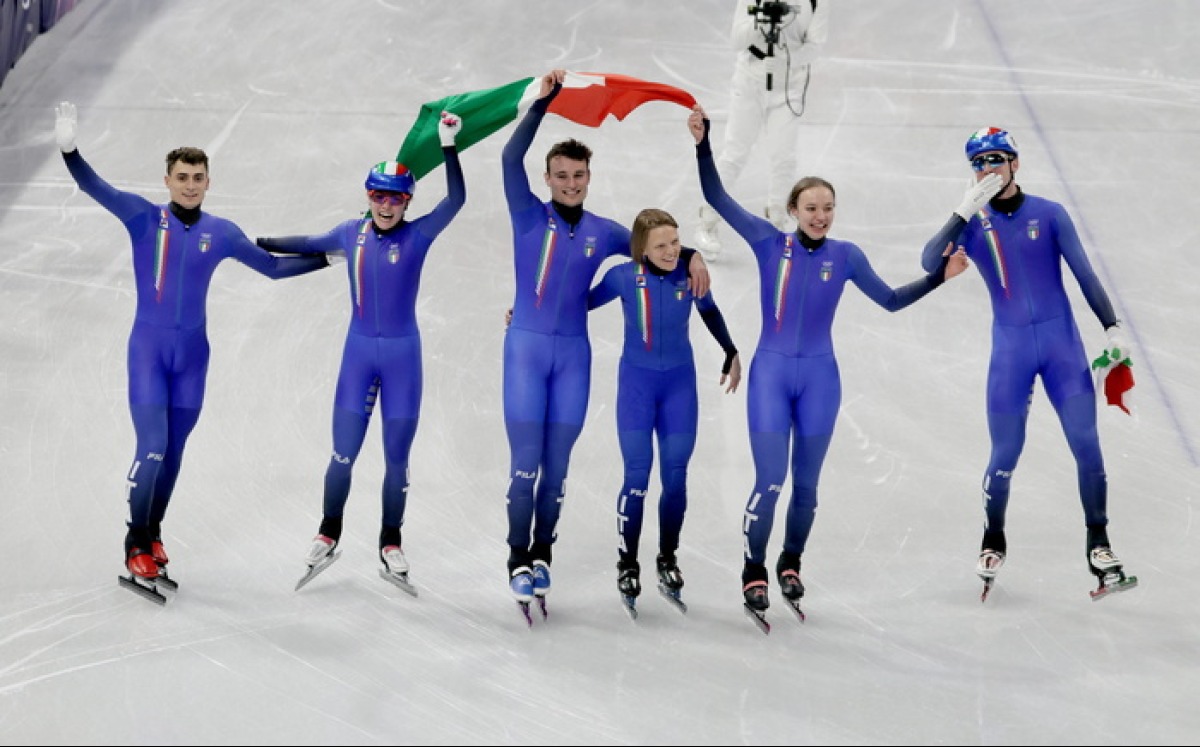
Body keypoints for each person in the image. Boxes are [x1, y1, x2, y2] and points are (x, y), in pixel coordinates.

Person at [688, 104, 983, 624]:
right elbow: (715, 196)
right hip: (772, 377)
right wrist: (703, 143)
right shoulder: (766, 241)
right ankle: (753, 569)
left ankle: (790, 562)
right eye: (811, 208)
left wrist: (941, 276)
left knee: (806, 487)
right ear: (793, 210)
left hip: (821, 379)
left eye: (828, 207)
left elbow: (890, 300)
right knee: (771, 480)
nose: (820, 216)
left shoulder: (845, 256)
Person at [53, 101, 330, 600]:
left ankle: (153, 533)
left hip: (193, 360)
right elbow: (93, 186)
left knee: (175, 453)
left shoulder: (219, 233)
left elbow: (270, 268)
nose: (190, 185)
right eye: (182, 176)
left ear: (208, 182)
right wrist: (69, 148)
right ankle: (134, 540)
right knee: (152, 445)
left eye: (198, 177)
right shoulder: (142, 217)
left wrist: (328, 258)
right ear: (167, 180)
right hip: (149, 355)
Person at [500, 69, 710, 614]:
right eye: (562, 175)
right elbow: (506, 160)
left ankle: (542, 550)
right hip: (525, 350)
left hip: (573, 357)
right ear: (547, 178)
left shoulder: (602, 232)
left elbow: (654, 245)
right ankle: (516, 557)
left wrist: (692, 256)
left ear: (589, 178)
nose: (571, 183)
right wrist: (541, 106)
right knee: (526, 461)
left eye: (579, 175)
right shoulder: (527, 216)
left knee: (558, 465)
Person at [255, 113, 466, 593]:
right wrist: (256, 243)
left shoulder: (418, 235)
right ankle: (328, 532)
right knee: (342, 453)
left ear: (408, 201)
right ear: (366, 196)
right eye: (377, 195)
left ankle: (391, 540)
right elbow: (304, 243)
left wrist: (449, 147)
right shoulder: (351, 233)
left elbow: (456, 200)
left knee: (396, 459)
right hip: (358, 356)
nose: (385, 205)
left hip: (402, 360)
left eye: (395, 198)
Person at [919, 127, 1135, 597]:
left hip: (1063, 348)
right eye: (978, 163)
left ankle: (1098, 541)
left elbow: (1084, 273)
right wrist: (962, 211)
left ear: (1015, 163)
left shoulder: (1050, 215)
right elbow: (927, 261)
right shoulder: (974, 226)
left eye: (996, 159)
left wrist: (1111, 326)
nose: (988, 169)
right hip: (1011, 354)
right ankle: (992, 536)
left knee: (1086, 444)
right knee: (1004, 453)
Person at [587, 208, 742, 610]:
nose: (672, 251)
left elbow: (710, 312)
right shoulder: (621, 278)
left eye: (676, 242)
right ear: (642, 249)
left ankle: (667, 557)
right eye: (661, 245)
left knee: (675, 477)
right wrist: (527, 313)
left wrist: (730, 350)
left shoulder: (687, 275)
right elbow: (577, 304)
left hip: (679, 388)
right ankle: (627, 564)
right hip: (637, 389)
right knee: (637, 477)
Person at [694, 0, 832, 261]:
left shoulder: (815, 3)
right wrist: (759, 26)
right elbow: (736, 40)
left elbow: (815, 46)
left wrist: (786, 62)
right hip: (750, 82)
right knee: (735, 153)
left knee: (784, 158)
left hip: (788, 87)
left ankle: (777, 225)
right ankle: (708, 221)